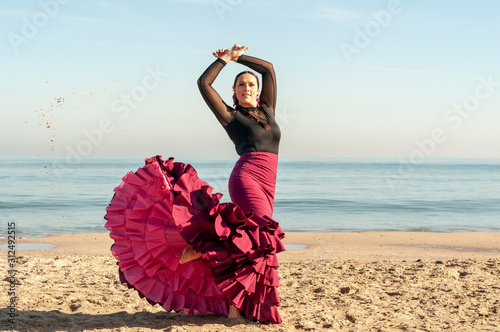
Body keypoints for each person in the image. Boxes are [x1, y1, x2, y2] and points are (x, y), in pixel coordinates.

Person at [104, 44, 285, 324]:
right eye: (241, 85)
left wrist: (241, 58)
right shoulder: (231, 116)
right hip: (246, 178)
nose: (247, 88)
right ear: (234, 92)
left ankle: (210, 258)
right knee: (261, 241)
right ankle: (235, 305)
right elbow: (204, 83)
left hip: (268, 182)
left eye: (251, 84)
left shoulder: (268, 111)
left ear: (257, 90)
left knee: (251, 242)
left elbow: (268, 69)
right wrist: (225, 60)